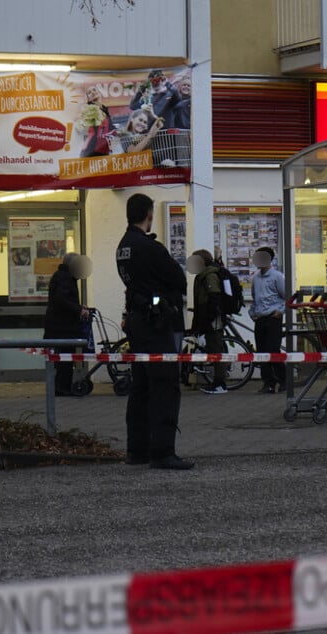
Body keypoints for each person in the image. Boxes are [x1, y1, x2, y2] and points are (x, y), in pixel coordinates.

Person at [116, 193, 193, 470]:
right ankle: (163, 452)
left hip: (137, 321)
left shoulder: (123, 246)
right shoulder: (150, 247)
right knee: (164, 386)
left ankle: (137, 450)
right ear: (149, 214)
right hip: (156, 323)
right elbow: (178, 278)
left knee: (141, 387)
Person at [44, 253, 90, 396]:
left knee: (64, 358)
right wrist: (78, 310)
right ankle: (62, 388)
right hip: (62, 326)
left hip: (60, 326)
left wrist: (78, 306)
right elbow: (62, 300)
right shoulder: (65, 278)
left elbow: (64, 299)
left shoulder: (63, 276)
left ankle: (61, 387)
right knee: (65, 359)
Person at [188, 249, 228, 395]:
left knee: (217, 351)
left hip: (213, 320)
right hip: (209, 319)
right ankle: (217, 383)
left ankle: (220, 384)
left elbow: (214, 299)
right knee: (214, 349)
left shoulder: (210, 275)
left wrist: (208, 320)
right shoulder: (203, 275)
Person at [249, 247, 286, 393]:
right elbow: (254, 297)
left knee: (273, 350)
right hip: (260, 318)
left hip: (273, 318)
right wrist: (252, 313)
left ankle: (283, 380)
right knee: (262, 352)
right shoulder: (256, 277)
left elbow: (286, 296)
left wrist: (280, 311)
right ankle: (268, 383)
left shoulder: (277, 276)